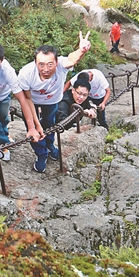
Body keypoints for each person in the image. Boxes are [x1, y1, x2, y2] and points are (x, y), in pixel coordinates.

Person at [17, 32, 91, 174]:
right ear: (35, 63)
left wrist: (81, 51)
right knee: (33, 128)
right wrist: (34, 125)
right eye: (41, 64)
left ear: (56, 63)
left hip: (52, 101)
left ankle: (50, 145)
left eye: (50, 64)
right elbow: (26, 99)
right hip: (32, 101)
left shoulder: (61, 66)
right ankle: (41, 154)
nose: (46, 69)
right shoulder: (26, 73)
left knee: (50, 124)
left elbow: (71, 59)